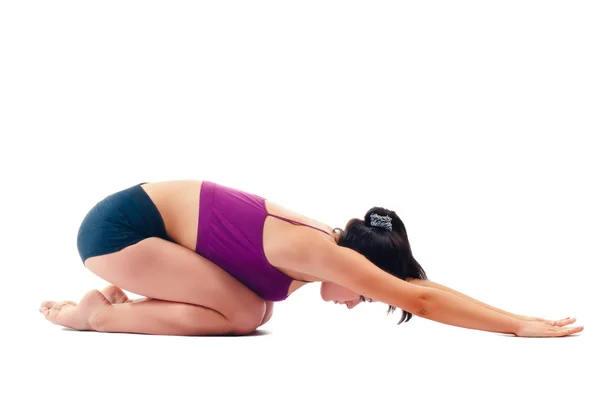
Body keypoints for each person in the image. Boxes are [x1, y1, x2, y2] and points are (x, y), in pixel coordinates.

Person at [39, 180, 583, 337]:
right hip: (118, 233)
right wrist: (517, 325)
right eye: (367, 294)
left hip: (147, 237)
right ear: (360, 268)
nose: (355, 302)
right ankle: (94, 315)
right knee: (248, 314)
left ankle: (123, 301)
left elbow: (424, 286)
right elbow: (420, 299)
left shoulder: (323, 251)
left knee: (253, 310)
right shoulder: (320, 252)